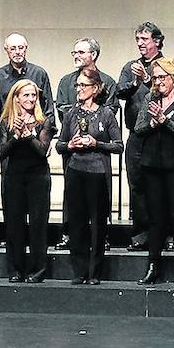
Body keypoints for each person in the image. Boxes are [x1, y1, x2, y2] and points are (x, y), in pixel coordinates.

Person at [133, 57, 174, 286]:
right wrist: (152, 122)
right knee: (155, 218)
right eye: (155, 77)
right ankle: (153, 266)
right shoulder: (150, 98)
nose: (158, 81)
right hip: (152, 165)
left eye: (162, 77)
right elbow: (138, 128)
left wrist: (164, 120)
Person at [57, 68, 123, 285]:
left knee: (97, 223)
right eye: (77, 85)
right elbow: (59, 144)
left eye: (83, 86)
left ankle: (95, 271)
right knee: (76, 222)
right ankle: (80, 270)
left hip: (97, 173)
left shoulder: (106, 114)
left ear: (95, 89)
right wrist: (70, 145)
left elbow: (118, 146)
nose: (79, 89)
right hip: (76, 171)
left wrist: (97, 144)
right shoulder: (71, 113)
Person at [55, 38, 120, 250]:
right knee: (72, 192)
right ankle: (70, 233)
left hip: (98, 150)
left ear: (93, 54)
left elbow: (111, 111)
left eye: (81, 52)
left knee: (100, 194)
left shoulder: (108, 81)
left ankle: (102, 235)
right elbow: (62, 110)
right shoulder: (66, 81)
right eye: (74, 52)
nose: (76, 55)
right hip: (73, 145)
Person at [0, 79, 55, 283]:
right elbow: (2, 152)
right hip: (14, 177)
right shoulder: (5, 121)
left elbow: (42, 150)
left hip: (38, 177)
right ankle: (15, 270)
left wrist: (29, 134)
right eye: (26, 95)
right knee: (14, 223)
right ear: (16, 98)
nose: (31, 99)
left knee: (38, 224)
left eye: (33, 95)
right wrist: (15, 136)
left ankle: (37, 270)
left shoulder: (44, 121)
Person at [114, 22, 164, 252]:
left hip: (161, 134)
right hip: (136, 134)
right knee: (137, 185)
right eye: (138, 39)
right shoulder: (130, 66)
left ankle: (164, 233)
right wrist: (136, 81)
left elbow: (168, 92)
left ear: (157, 41)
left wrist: (147, 79)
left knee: (162, 186)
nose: (141, 44)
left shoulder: (166, 65)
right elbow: (120, 92)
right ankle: (141, 233)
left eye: (144, 39)